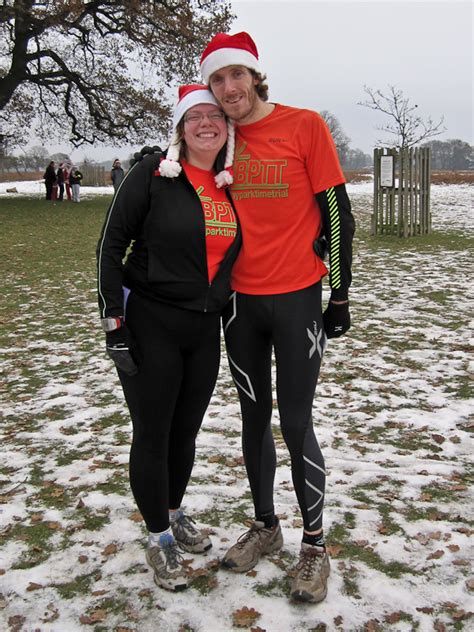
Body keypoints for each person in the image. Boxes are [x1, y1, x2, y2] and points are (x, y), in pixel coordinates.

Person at [200, 32, 355, 604]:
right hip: (239, 305)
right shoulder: (222, 139)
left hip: (296, 300)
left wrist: (338, 294)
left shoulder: (304, 125)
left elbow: (337, 212)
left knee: (295, 421)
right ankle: (266, 525)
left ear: (255, 77)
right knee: (252, 417)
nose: (229, 88)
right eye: (217, 79)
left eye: (236, 75)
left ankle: (314, 546)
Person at [96, 84, 240, 592]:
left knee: (185, 433)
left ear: (227, 127)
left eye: (215, 116)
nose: (206, 123)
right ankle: (158, 538)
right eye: (195, 116)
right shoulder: (152, 174)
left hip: (203, 329)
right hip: (150, 321)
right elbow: (110, 248)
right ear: (181, 126)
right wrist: (113, 321)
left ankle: (173, 512)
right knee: (153, 436)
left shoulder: (229, 183)